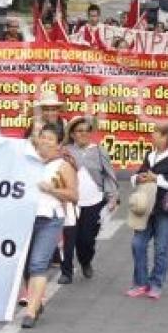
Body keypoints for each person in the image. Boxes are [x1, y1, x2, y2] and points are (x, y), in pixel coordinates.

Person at [21, 124, 79, 328]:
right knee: (25, 265)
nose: (45, 141)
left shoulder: (63, 165)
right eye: (43, 136)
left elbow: (73, 195)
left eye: (50, 139)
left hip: (50, 219)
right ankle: (35, 302)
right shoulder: (27, 159)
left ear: (59, 143)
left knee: (38, 264)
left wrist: (53, 190)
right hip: (25, 218)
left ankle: (30, 311)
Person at [128, 124, 168, 300]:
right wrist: (138, 177)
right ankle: (141, 282)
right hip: (146, 207)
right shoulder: (150, 155)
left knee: (161, 248)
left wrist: (156, 178)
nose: (152, 137)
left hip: (166, 208)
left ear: (165, 137)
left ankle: (156, 283)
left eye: (156, 134)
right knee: (138, 244)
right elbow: (138, 175)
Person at [60, 116, 119, 283]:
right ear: (72, 134)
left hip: (94, 201)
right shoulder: (65, 150)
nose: (84, 134)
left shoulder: (99, 151)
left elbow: (109, 175)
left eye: (87, 131)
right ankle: (66, 272)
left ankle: (86, 261)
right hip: (71, 202)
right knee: (69, 238)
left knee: (86, 239)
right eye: (79, 131)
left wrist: (112, 196)